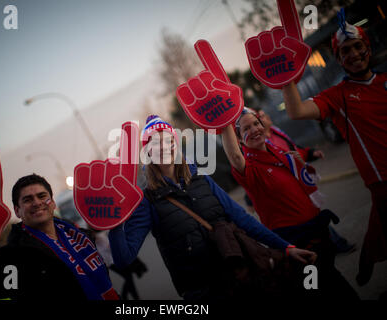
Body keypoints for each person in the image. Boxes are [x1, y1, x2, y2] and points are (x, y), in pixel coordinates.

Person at [108, 115, 316, 300]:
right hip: (202, 292)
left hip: (239, 276)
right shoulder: (147, 200)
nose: (164, 147)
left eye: (169, 140)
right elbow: (124, 259)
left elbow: (242, 219)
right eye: (156, 143)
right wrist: (113, 224)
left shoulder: (201, 178)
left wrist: (285, 248)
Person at [281, 11, 387, 285]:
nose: (353, 54)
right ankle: (370, 255)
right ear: (338, 59)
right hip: (381, 181)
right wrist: (285, 77)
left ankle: (370, 254)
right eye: (345, 51)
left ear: (368, 48)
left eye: (357, 47)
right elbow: (296, 111)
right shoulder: (337, 95)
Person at [221, 108, 359, 300]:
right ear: (240, 140)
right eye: (246, 129)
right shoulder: (249, 168)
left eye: (256, 124)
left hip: (319, 235)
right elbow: (235, 157)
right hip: (298, 245)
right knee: (316, 290)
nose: (253, 130)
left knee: (332, 281)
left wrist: (308, 155)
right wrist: (223, 123)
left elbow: (297, 156)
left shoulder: (277, 151)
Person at [0, 174, 119, 301]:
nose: (37, 202)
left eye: (41, 196)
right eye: (27, 199)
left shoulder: (76, 235)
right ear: (17, 211)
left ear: (52, 202)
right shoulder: (16, 255)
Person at [252, 108, 356, 255]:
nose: (266, 117)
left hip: (299, 181)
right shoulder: (262, 144)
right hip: (288, 188)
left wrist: (311, 153)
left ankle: (330, 245)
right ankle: (335, 244)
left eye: (264, 114)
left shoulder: (276, 132)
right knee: (313, 218)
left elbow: (294, 149)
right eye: (261, 117)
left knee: (314, 215)